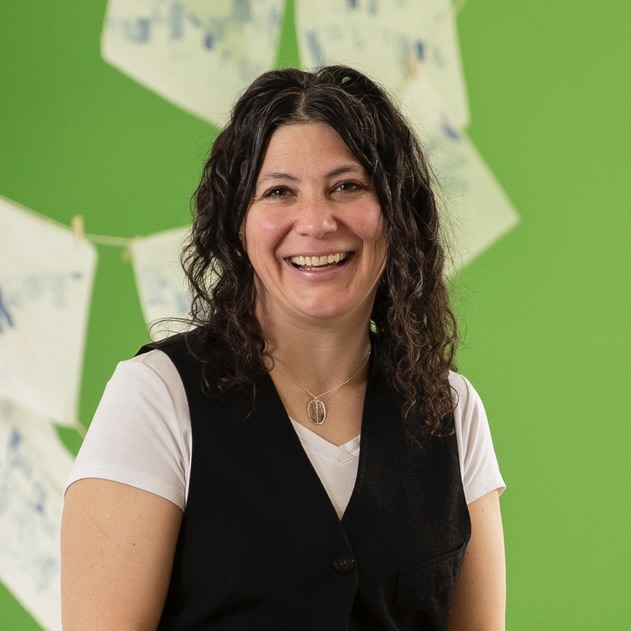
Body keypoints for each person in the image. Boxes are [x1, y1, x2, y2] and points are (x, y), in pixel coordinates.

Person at [61, 65, 506, 630]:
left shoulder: (452, 410)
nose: (316, 222)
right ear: (238, 228)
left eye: (348, 186)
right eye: (279, 192)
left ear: (396, 215)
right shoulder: (156, 398)